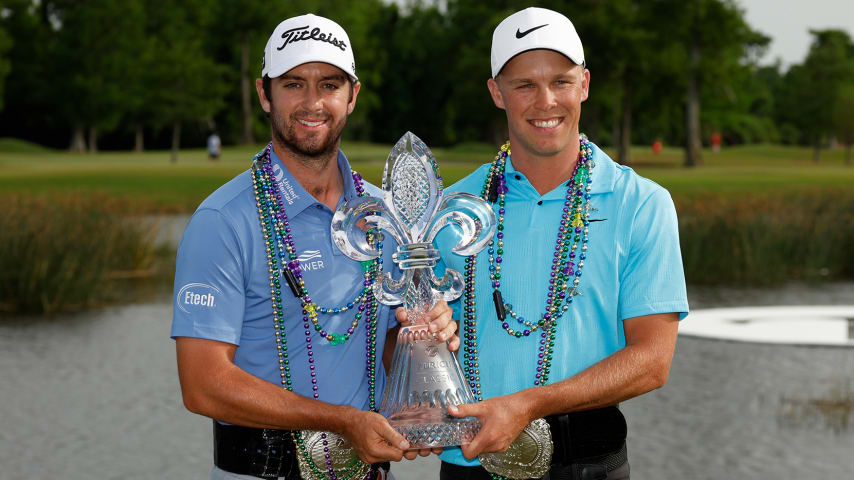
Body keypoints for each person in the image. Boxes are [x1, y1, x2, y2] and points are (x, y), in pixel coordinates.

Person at [171, 14, 456, 480]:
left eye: (329, 84)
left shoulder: (387, 216)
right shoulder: (222, 221)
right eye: (293, 84)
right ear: (264, 94)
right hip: (260, 470)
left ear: (352, 96)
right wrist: (342, 422)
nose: (312, 102)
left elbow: (385, 345)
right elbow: (204, 386)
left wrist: (421, 341)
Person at [435, 7, 689, 480]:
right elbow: (408, 343)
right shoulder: (454, 208)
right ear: (496, 92)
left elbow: (652, 361)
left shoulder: (642, 203)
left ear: (585, 84)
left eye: (561, 81)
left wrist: (527, 406)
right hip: (469, 464)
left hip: (589, 465)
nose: (545, 100)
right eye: (524, 84)